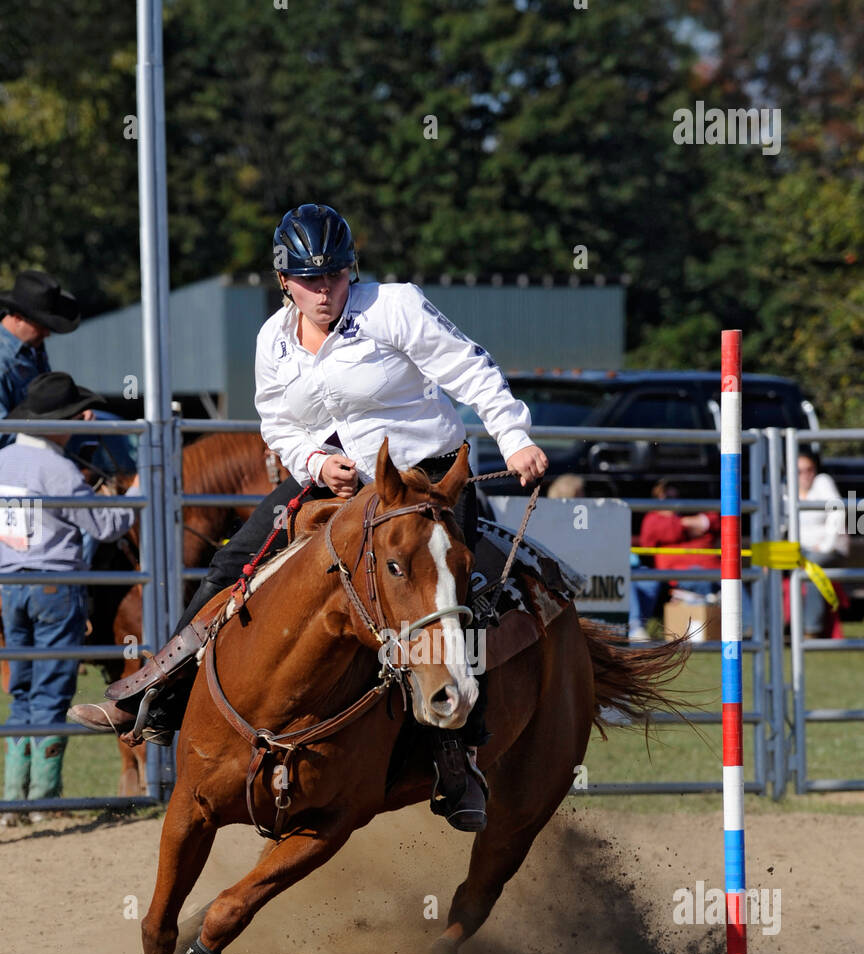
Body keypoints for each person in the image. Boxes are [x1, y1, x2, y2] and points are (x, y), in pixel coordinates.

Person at [71, 203, 548, 831]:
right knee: (232, 563)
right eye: (310, 280)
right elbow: (279, 424)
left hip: (425, 480)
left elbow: (470, 368)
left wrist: (514, 438)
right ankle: (155, 696)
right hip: (339, 482)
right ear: (285, 282)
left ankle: (457, 760)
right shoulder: (274, 340)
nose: (325, 292)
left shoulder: (394, 306)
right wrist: (317, 463)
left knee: (460, 601)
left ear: (352, 271)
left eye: (336, 276)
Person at [0, 373, 139, 825]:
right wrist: (135, 495)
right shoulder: (58, 469)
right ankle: (43, 797)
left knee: (21, 687)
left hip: (10, 587)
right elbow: (105, 527)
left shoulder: (4, 460)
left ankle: (13, 799)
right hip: (53, 587)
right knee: (52, 687)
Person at [628, 480, 721, 640]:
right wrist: (685, 525)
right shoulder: (653, 519)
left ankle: (751, 629)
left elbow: (717, 522)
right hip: (682, 574)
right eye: (665, 497)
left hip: (714, 569)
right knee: (697, 577)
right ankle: (635, 628)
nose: (671, 502)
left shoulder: (689, 514)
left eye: (674, 496)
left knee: (736, 581)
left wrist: (698, 523)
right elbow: (650, 536)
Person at [0, 271, 81, 448]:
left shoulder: (32, 349)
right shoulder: (4, 361)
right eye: (41, 325)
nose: (47, 333)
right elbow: (2, 433)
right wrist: (50, 431)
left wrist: (73, 412)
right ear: (18, 319)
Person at [795, 449, 849, 636]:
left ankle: (811, 629)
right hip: (800, 551)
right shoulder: (787, 488)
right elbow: (781, 523)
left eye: (809, 469)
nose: (806, 475)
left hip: (830, 548)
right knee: (765, 567)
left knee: (812, 567)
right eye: (799, 471)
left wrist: (825, 545)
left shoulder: (822, 482)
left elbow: (838, 512)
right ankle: (766, 627)